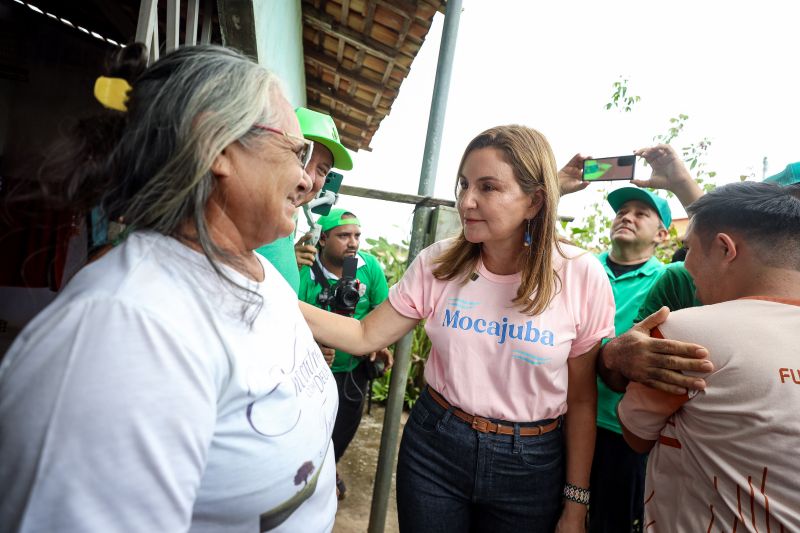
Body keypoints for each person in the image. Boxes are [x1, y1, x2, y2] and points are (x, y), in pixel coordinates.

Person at [0, 44, 338, 532]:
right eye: (295, 151)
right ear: (217, 145)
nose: (307, 180)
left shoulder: (257, 274)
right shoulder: (128, 331)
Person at [303, 125, 616, 532]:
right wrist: (270, 294)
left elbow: (581, 400)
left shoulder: (578, 274)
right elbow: (365, 335)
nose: (467, 201)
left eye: (488, 187)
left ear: (535, 201)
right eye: (464, 184)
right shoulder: (440, 264)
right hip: (436, 446)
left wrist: (576, 505)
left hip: (530, 464)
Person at [618, 182, 800, 531]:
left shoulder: (686, 334)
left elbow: (635, 434)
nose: (684, 266)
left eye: (688, 249)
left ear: (724, 248)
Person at [558, 144, 709, 532]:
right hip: (565, 419)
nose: (627, 217)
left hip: (622, 430)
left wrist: (682, 184)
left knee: (611, 522)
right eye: (622, 212)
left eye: (641, 213)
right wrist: (555, 187)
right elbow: (531, 235)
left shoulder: (670, 281)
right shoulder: (582, 269)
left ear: (663, 233)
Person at [297, 207, 392, 499]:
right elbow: (288, 314)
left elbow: (383, 309)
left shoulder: (368, 267)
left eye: (357, 235)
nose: (353, 242)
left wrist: (378, 342)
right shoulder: (304, 270)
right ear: (323, 239)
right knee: (306, 427)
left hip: (351, 370)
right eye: (343, 235)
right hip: (310, 371)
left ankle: (330, 468)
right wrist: (312, 346)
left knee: (344, 427)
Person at [255, 107, 353, 292]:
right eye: (301, 155)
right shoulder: (242, 223)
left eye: (322, 170)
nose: (308, 179)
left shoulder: (285, 225)